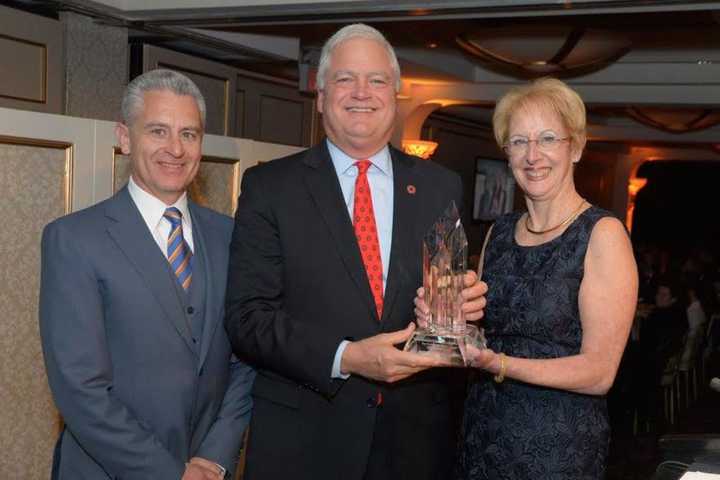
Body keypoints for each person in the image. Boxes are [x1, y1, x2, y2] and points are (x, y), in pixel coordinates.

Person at [224, 23, 486, 480]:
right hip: (304, 443)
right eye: (345, 79)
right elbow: (247, 318)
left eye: (377, 80)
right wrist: (346, 356)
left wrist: (457, 307)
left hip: (413, 445)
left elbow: (442, 303)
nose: (361, 92)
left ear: (396, 94)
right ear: (321, 96)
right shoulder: (269, 187)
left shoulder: (439, 185)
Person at [39, 69, 254, 480]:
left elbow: (246, 363)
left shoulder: (230, 237)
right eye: (158, 131)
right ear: (124, 137)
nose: (175, 148)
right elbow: (80, 388)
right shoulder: (74, 240)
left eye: (189, 134)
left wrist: (213, 458)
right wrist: (171, 473)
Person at [457, 77, 638, 479]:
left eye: (548, 139)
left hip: (557, 449)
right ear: (507, 154)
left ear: (575, 147)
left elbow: (598, 373)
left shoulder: (601, 235)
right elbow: (480, 333)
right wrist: (450, 316)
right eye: (519, 141)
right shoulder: (499, 232)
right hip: (483, 435)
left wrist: (498, 363)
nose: (532, 155)